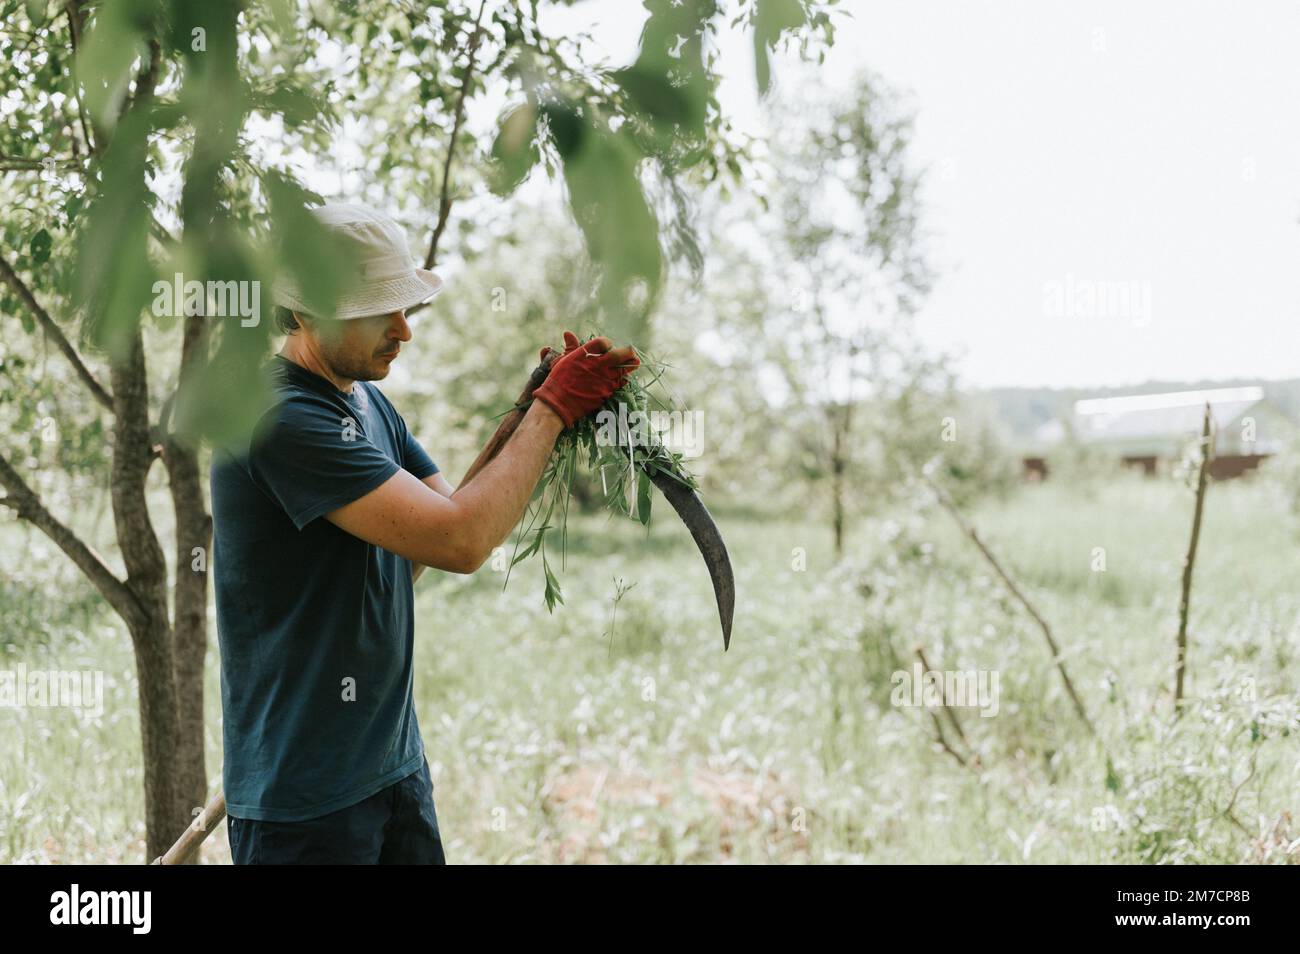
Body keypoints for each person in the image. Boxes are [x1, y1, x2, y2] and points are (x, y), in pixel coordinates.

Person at [210, 202, 638, 863]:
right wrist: (554, 411)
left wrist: (532, 403)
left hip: (391, 769)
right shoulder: (280, 418)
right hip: (305, 802)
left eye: (403, 305)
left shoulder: (364, 401)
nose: (404, 330)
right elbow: (461, 543)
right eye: (377, 309)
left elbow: (457, 512)